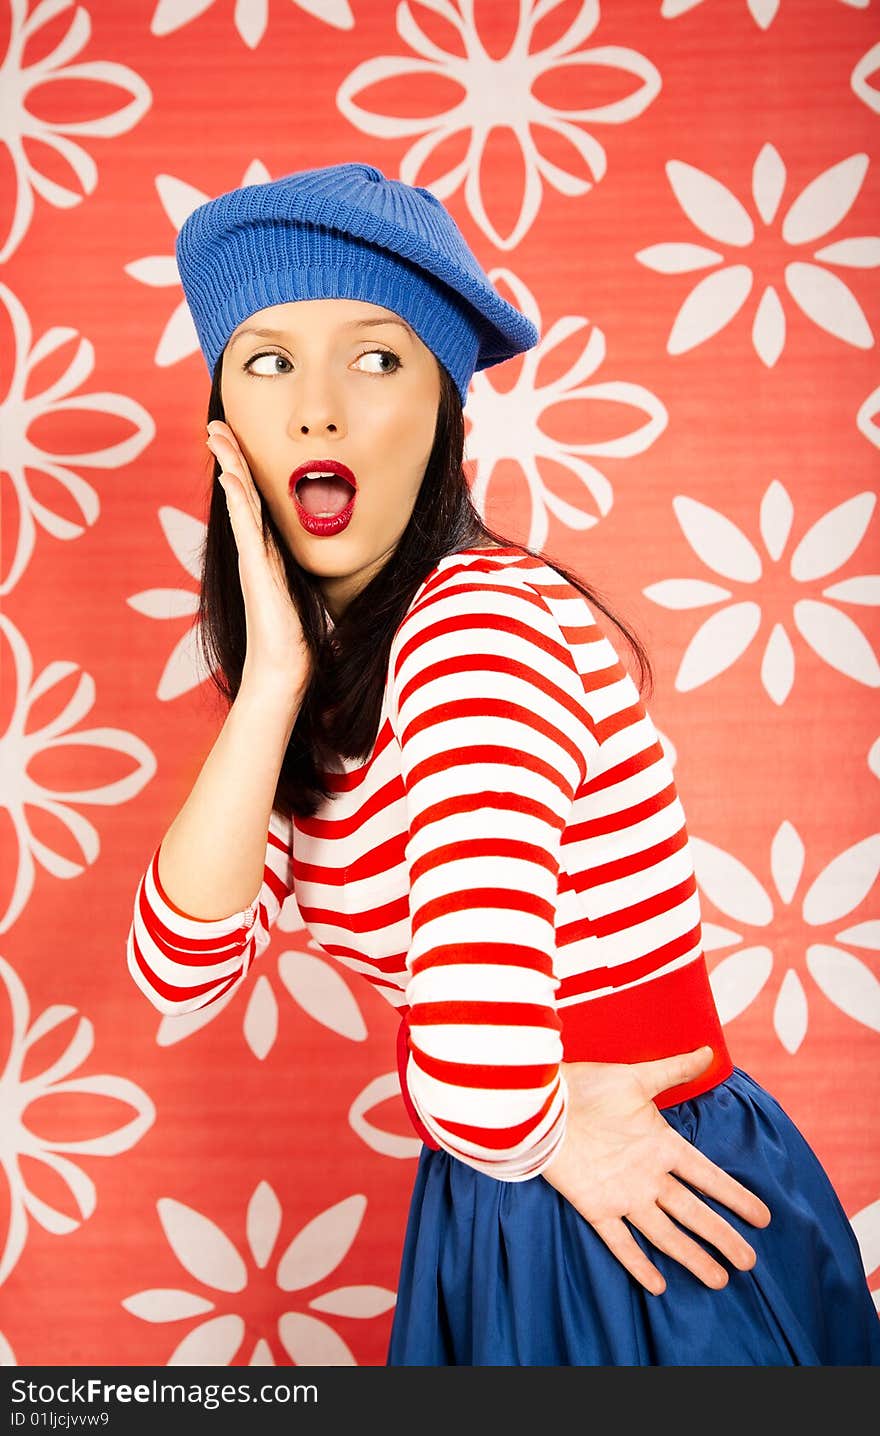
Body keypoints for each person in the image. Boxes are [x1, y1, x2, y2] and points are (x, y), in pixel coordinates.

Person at [126, 161, 880, 1366]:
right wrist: (269, 683)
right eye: (269, 361)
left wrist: (530, 1114)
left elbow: (487, 1067)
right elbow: (178, 970)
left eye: (375, 358)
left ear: (442, 409)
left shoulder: (477, 624)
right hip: (517, 1180)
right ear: (227, 428)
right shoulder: (323, 680)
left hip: (634, 1203)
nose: (316, 410)